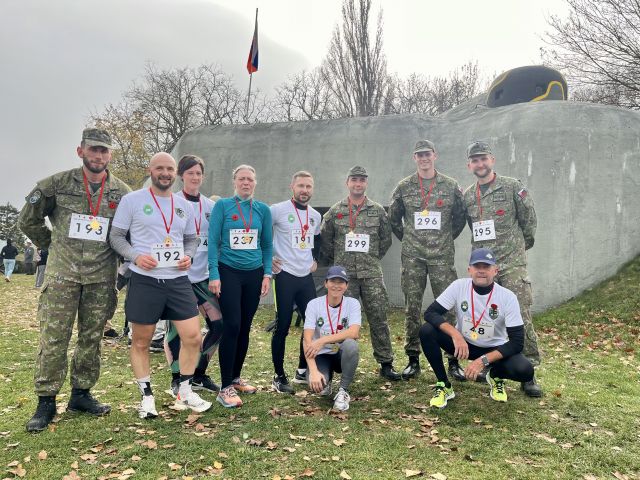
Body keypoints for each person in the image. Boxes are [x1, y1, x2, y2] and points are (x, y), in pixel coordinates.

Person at [18, 128, 130, 432]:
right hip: (62, 275)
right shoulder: (56, 184)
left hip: (101, 278)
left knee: (91, 338)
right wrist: (52, 244)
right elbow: (27, 219)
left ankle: (81, 394)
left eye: (104, 150)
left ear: (110, 155)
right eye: (93, 149)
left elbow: (131, 230)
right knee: (54, 338)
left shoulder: (122, 193)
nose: (98, 155)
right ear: (80, 151)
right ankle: (46, 400)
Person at [110, 152, 212, 418]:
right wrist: (135, 256)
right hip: (145, 280)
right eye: (160, 168)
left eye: (169, 169)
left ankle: (185, 390)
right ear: (150, 170)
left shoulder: (184, 205)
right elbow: (116, 236)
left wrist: (188, 255)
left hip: (177, 279)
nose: (165, 173)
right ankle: (146, 397)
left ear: (175, 172)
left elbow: (191, 239)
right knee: (141, 341)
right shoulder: (133, 200)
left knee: (193, 337)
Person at [462, 141, 542, 397]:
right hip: (483, 268)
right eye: (475, 160)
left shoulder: (512, 187)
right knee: (487, 316)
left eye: (483, 158)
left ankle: (529, 373)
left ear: (492, 160)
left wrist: (519, 248)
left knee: (521, 315)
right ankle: (490, 364)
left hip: (511, 263)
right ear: (469, 165)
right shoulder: (467, 195)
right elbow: (470, 226)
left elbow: (529, 221)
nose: (480, 164)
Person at [389, 140, 467, 381]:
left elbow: (460, 218)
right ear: (415, 158)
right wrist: (409, 239)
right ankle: (413, 358)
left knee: (449, 307)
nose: (424, 158)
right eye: (419, 155)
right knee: (412, 306)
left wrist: (444, 238)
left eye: (427, 154)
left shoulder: (450, 185)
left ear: (435, 156)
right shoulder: (403, 187)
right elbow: (394, 219)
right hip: (413, 257)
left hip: (442, 257)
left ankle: (453, 359)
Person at [420, 248, 534, 408]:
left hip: (493, 350)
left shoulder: (507, 297)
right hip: (464, 346)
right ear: (469, 270)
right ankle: (444, 385)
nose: (481, 271)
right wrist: (456, 335)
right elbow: (431, 313)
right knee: (427, 331)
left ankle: (495, 375)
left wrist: (483, 361)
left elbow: (517, 342)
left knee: (525, 370)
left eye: (486, 266)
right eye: (477, 266)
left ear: (495, 270)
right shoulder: (459, 286)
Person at [319, 165, 401, 381]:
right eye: (354, 179)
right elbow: (326, 242)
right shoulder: (335, 212)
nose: (358, 184)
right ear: (347, 182)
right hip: (344, 278)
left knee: (379, 318)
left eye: (362, 180)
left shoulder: (378, 211)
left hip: (371, 274)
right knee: (342, 320)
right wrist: (340, 261)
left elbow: (386, 240)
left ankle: (386, 363)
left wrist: (371, 258)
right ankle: (338, 361)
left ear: (366, 183)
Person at [208, 165, 273, 408]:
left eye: (250, 179)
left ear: (255, 183)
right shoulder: (223, 206)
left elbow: (267, 245)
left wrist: (267, 274)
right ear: (234, 181)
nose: (246, 183)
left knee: (245, 326)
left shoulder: (263, 210)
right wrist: (214, 274)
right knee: (232, 325)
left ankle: (235, 378)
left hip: (254, 274)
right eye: (242, 179)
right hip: (228, 272)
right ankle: (224, 387)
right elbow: (213, 242)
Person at [164, 154, 222, 397]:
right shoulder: (172, 202)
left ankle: (198, 373)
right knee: (177, 330)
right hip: (178, 278)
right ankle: (177, 378)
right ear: (181, 175)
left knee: (219, 325)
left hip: (203, 277)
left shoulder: (211, 206)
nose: (195, 177)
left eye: (198, 173)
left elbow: (217, 240)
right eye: (190, 173)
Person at [270, 171, 322, 394]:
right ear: (292, 186)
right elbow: (261, 232)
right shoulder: (277, 210)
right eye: (301, 185)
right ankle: (278, 376)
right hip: (284, 275)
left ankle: (302, 370)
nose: (304, 190)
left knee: (312, 324)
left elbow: (316, 239)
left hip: (305, 277)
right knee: (282, 325)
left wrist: (315, 259)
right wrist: (268, 258)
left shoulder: (315, 215)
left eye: (308, 186)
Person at [304, 266, 360, 411]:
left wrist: (322, 340)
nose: (336, 285)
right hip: (322, 354)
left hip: (341, 354)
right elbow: (307, 340)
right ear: (326, 283)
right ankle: (325, 380)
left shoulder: (353, 303)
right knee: (317, 387)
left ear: (346, 286)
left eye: (341, 282)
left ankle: (343, 390)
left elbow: (354, 332)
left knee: (351, 345)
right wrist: (313, 371)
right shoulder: (314, 304)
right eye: (333, 281)